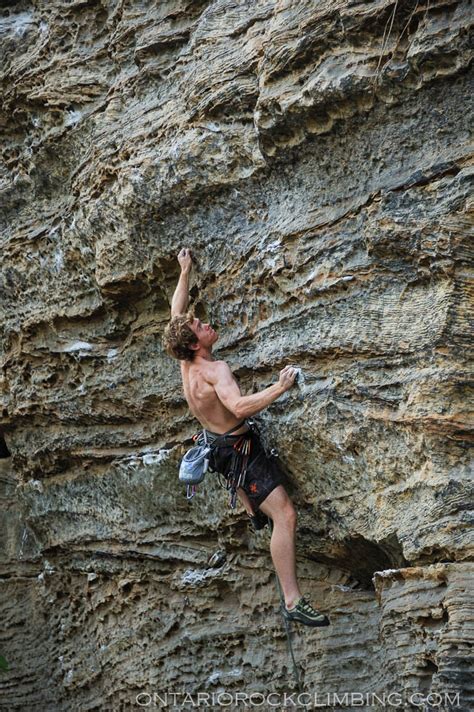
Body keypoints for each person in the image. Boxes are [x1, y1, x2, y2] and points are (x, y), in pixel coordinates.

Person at [163, 248, 330, 627]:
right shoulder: (214, 369)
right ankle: (292, 600)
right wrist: (280, 387)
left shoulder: (185, 362)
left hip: (217, 446)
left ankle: (250, 509)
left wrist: (185, 270)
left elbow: (176, 311)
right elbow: (238, 408)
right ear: (195, 344)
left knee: (256, 495)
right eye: (200, 327)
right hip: (239, 450)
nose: (206, 324)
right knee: (285, 514)